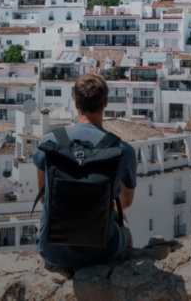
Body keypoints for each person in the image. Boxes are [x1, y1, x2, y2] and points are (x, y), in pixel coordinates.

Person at [33, 73, 137, 268]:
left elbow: (44, 197)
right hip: (103, 250)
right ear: (106, 103)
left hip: (52, 250)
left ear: (76, 103)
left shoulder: (48, 142)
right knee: (125, 228)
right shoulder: (123, 151)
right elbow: (126, 202)